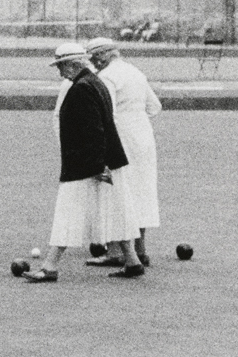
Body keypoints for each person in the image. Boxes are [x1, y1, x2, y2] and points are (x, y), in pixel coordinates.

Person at [24, 43, 142, 282]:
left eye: (61, 66)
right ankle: (132, 261)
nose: (59, 72)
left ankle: (50, 267)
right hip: (103, 162)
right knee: (116, 211)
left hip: (87, 166)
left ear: (74, 63)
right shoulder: (95, 83)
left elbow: (94, 130)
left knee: (66, 214)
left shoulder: (82, 88)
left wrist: (98, 166)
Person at [86, 37, 162, 266]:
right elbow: (154, 107)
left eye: (94, 58)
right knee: (141, 191)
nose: (93, 63)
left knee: (116, 190)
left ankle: (116, 252)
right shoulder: (136, 72)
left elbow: (107, 113)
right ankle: (140, 250)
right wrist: (135, 120)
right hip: (143, 138)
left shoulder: (106, 77)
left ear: (104, 55)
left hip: (120, 139)